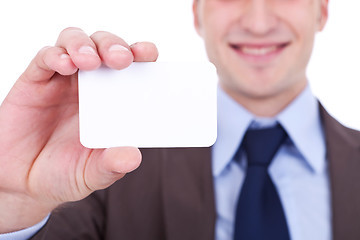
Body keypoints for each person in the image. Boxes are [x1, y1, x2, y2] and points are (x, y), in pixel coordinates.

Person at [0, 0, 359, 239]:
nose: (258, 23)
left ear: (322, 10)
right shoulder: (106, 167)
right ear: (196, 13)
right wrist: (16, 202)